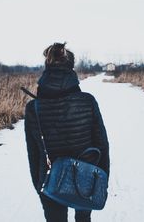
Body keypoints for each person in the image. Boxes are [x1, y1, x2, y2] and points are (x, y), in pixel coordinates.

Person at [24, 42, 110, 222]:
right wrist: (101, 179)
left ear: (47, 66)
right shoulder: (88, 101)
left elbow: (34, 154)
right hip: (86, 178)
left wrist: (39, 186)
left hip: (49, 180)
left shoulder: (34, 108)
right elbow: (102, 144)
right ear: (71, 68)